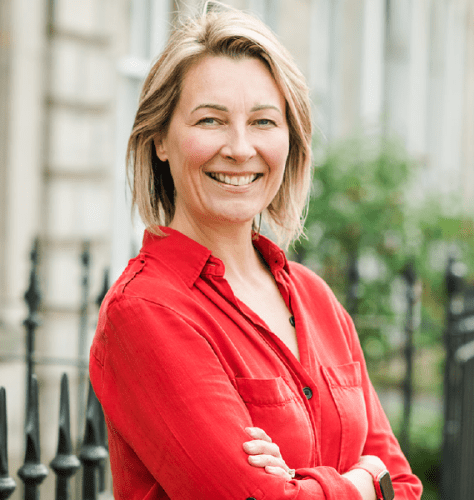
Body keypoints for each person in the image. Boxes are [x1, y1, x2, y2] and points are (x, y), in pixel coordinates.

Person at [89, 3, 421, 499]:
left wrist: (298, 483)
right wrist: (360, 483)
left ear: (291, 139)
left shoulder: (315, 299)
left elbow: (406, 485)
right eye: (210, 120)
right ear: (160, 139)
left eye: (264, 121)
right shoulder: (147, 313)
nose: (241, 148)